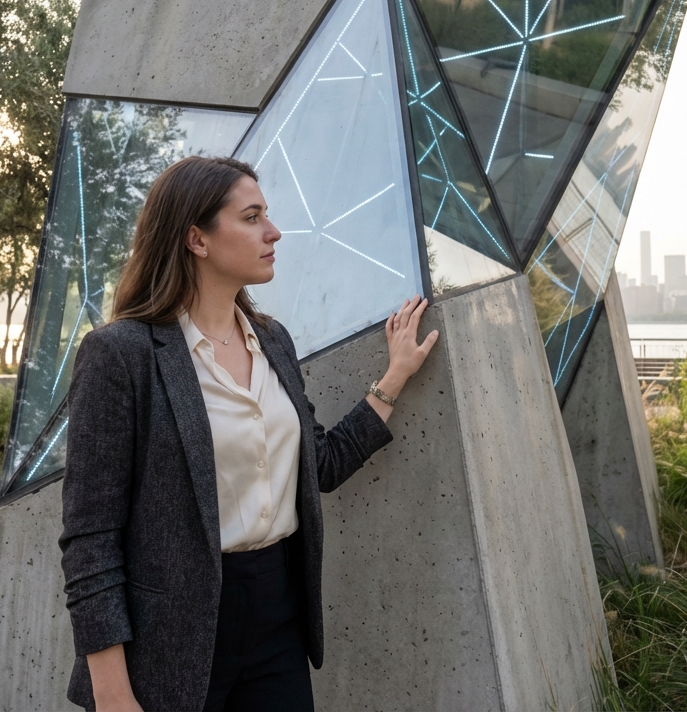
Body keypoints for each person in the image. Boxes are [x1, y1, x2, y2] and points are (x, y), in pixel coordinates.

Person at [59, 156, 438, 712]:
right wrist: (113, 693)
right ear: (197, 239)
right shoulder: (121, 355)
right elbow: (90, 538)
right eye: (253, 217)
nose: (274, 231)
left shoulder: (274, 341)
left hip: (276, 618)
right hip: (169, 640)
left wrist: (394, 376)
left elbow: (321, 464)